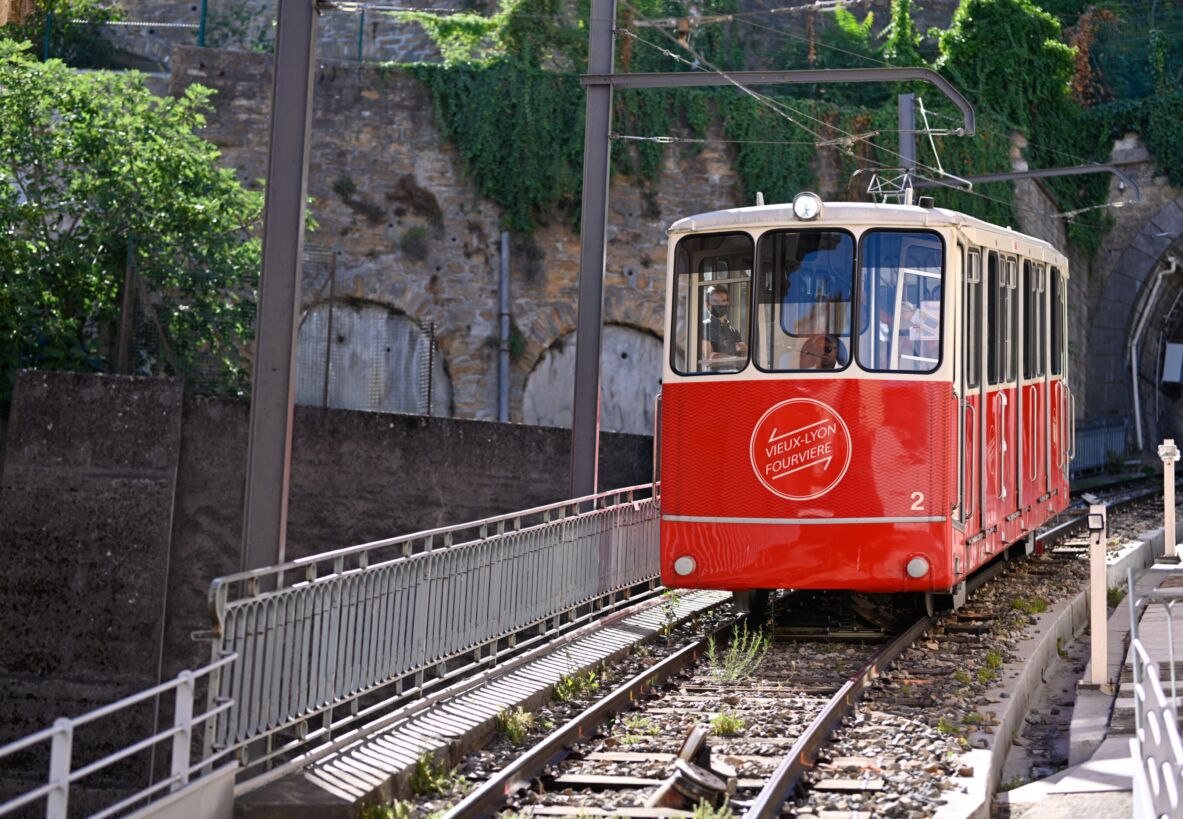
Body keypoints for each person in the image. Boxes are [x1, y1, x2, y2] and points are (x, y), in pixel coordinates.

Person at [700, 285, 747, 363]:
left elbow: (743, 356)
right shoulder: (704, 326)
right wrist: (735, 359)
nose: (720, 304)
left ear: (728, 303)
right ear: (707, 304)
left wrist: (745, 349)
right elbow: (710, 356)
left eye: (723, 301)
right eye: (715, 301)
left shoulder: (734, 331)